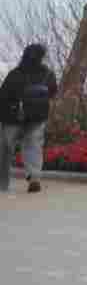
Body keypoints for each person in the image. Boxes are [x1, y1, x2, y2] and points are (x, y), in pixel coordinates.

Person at [0, 43, 58, 194]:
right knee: (33, 146)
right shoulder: (48, 74)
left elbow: (3, 96)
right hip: (38, 117)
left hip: (12, 117)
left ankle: (2, 183)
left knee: (6, 148)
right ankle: (34, 177)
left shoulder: (15, 74)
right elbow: (52, 92)